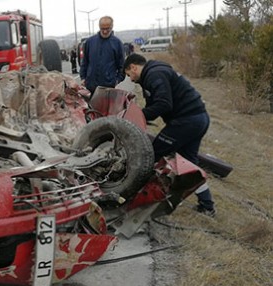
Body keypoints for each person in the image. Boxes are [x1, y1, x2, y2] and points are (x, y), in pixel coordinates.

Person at [123, 53, 216, 217]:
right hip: (199, 118)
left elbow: (164, 104)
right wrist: (140, 115)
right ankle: (207, 206)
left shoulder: (154, 75)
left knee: (150, 153)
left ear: (133, 67)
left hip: (186, 121)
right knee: (189, 165)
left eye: (129, 74)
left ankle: (130, 195)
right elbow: (154, 106)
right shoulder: (153, 74)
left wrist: (138, 115)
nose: (130, 79)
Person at [79, 16, 125, 95]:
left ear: (112, 27)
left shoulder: (117, 43)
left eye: (107, 29)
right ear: (99, 27)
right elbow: (85, 61)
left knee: (105, 107)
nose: (105, 31)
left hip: (108, 86)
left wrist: (117, 80)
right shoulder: (90, 42)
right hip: (91, 85)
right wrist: (83, 77)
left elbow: (122, 65)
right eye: (102, 29)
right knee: (91, 107)